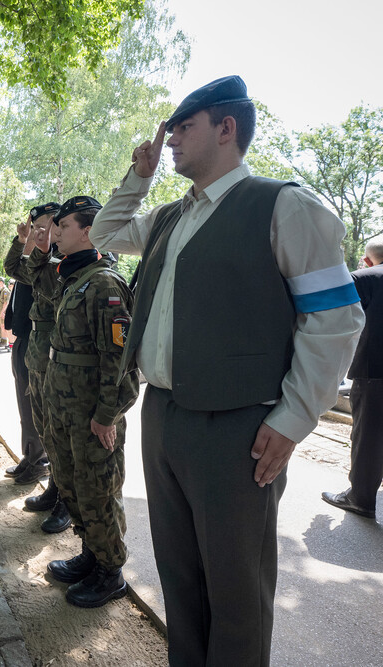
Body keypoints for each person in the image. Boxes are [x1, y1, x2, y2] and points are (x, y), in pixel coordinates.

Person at [91, 75, 364, 664]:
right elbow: (105, 233)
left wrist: (293, 419)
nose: (169, 141)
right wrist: (137, 179)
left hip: (237, 428)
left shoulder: (284, 205)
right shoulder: (169, 216)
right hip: (165, 415)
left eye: (183, 127)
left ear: (226, 128)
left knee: (237, 595)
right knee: (180, 582)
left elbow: (336, 320)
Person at [35, 196, 139, 608]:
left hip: (92, 415)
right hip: (64, 407)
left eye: (63, 226)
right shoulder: (73, 278)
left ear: (88, 231)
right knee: (71, 483)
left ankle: (110, 572)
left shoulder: (105, 284)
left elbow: (120, 360)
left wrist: (107, 416)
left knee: (98, 490)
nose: (56, 233)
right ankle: (91, 554)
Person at [323, 234, 383, 518]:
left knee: (369, 437)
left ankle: (360, 497)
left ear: (367, 259)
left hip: (375, 372)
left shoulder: (365, 278)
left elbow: (335, 321)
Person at [3, 203, 60, 496]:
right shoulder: (38, 256)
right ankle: (32, 455)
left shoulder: (60, 260)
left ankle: (45, 468)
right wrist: (22, 240)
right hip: (27, 339)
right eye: (35, 225)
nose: (38, 230)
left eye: (44, 225)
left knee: (48, 417)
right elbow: (13, 268)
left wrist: (35, 248)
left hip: (49, 346)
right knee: (30, 409)